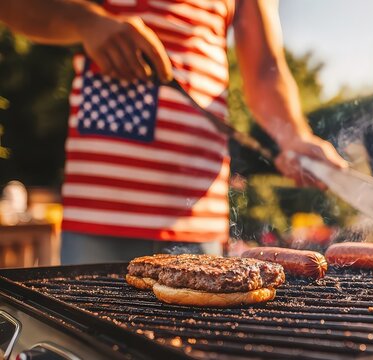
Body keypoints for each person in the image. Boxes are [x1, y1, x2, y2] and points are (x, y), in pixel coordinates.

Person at [0, 0, 347, 263]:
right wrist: (87, 22)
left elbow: (265, 70)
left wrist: (294, 136)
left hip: (197, 214)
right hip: (100, 213)